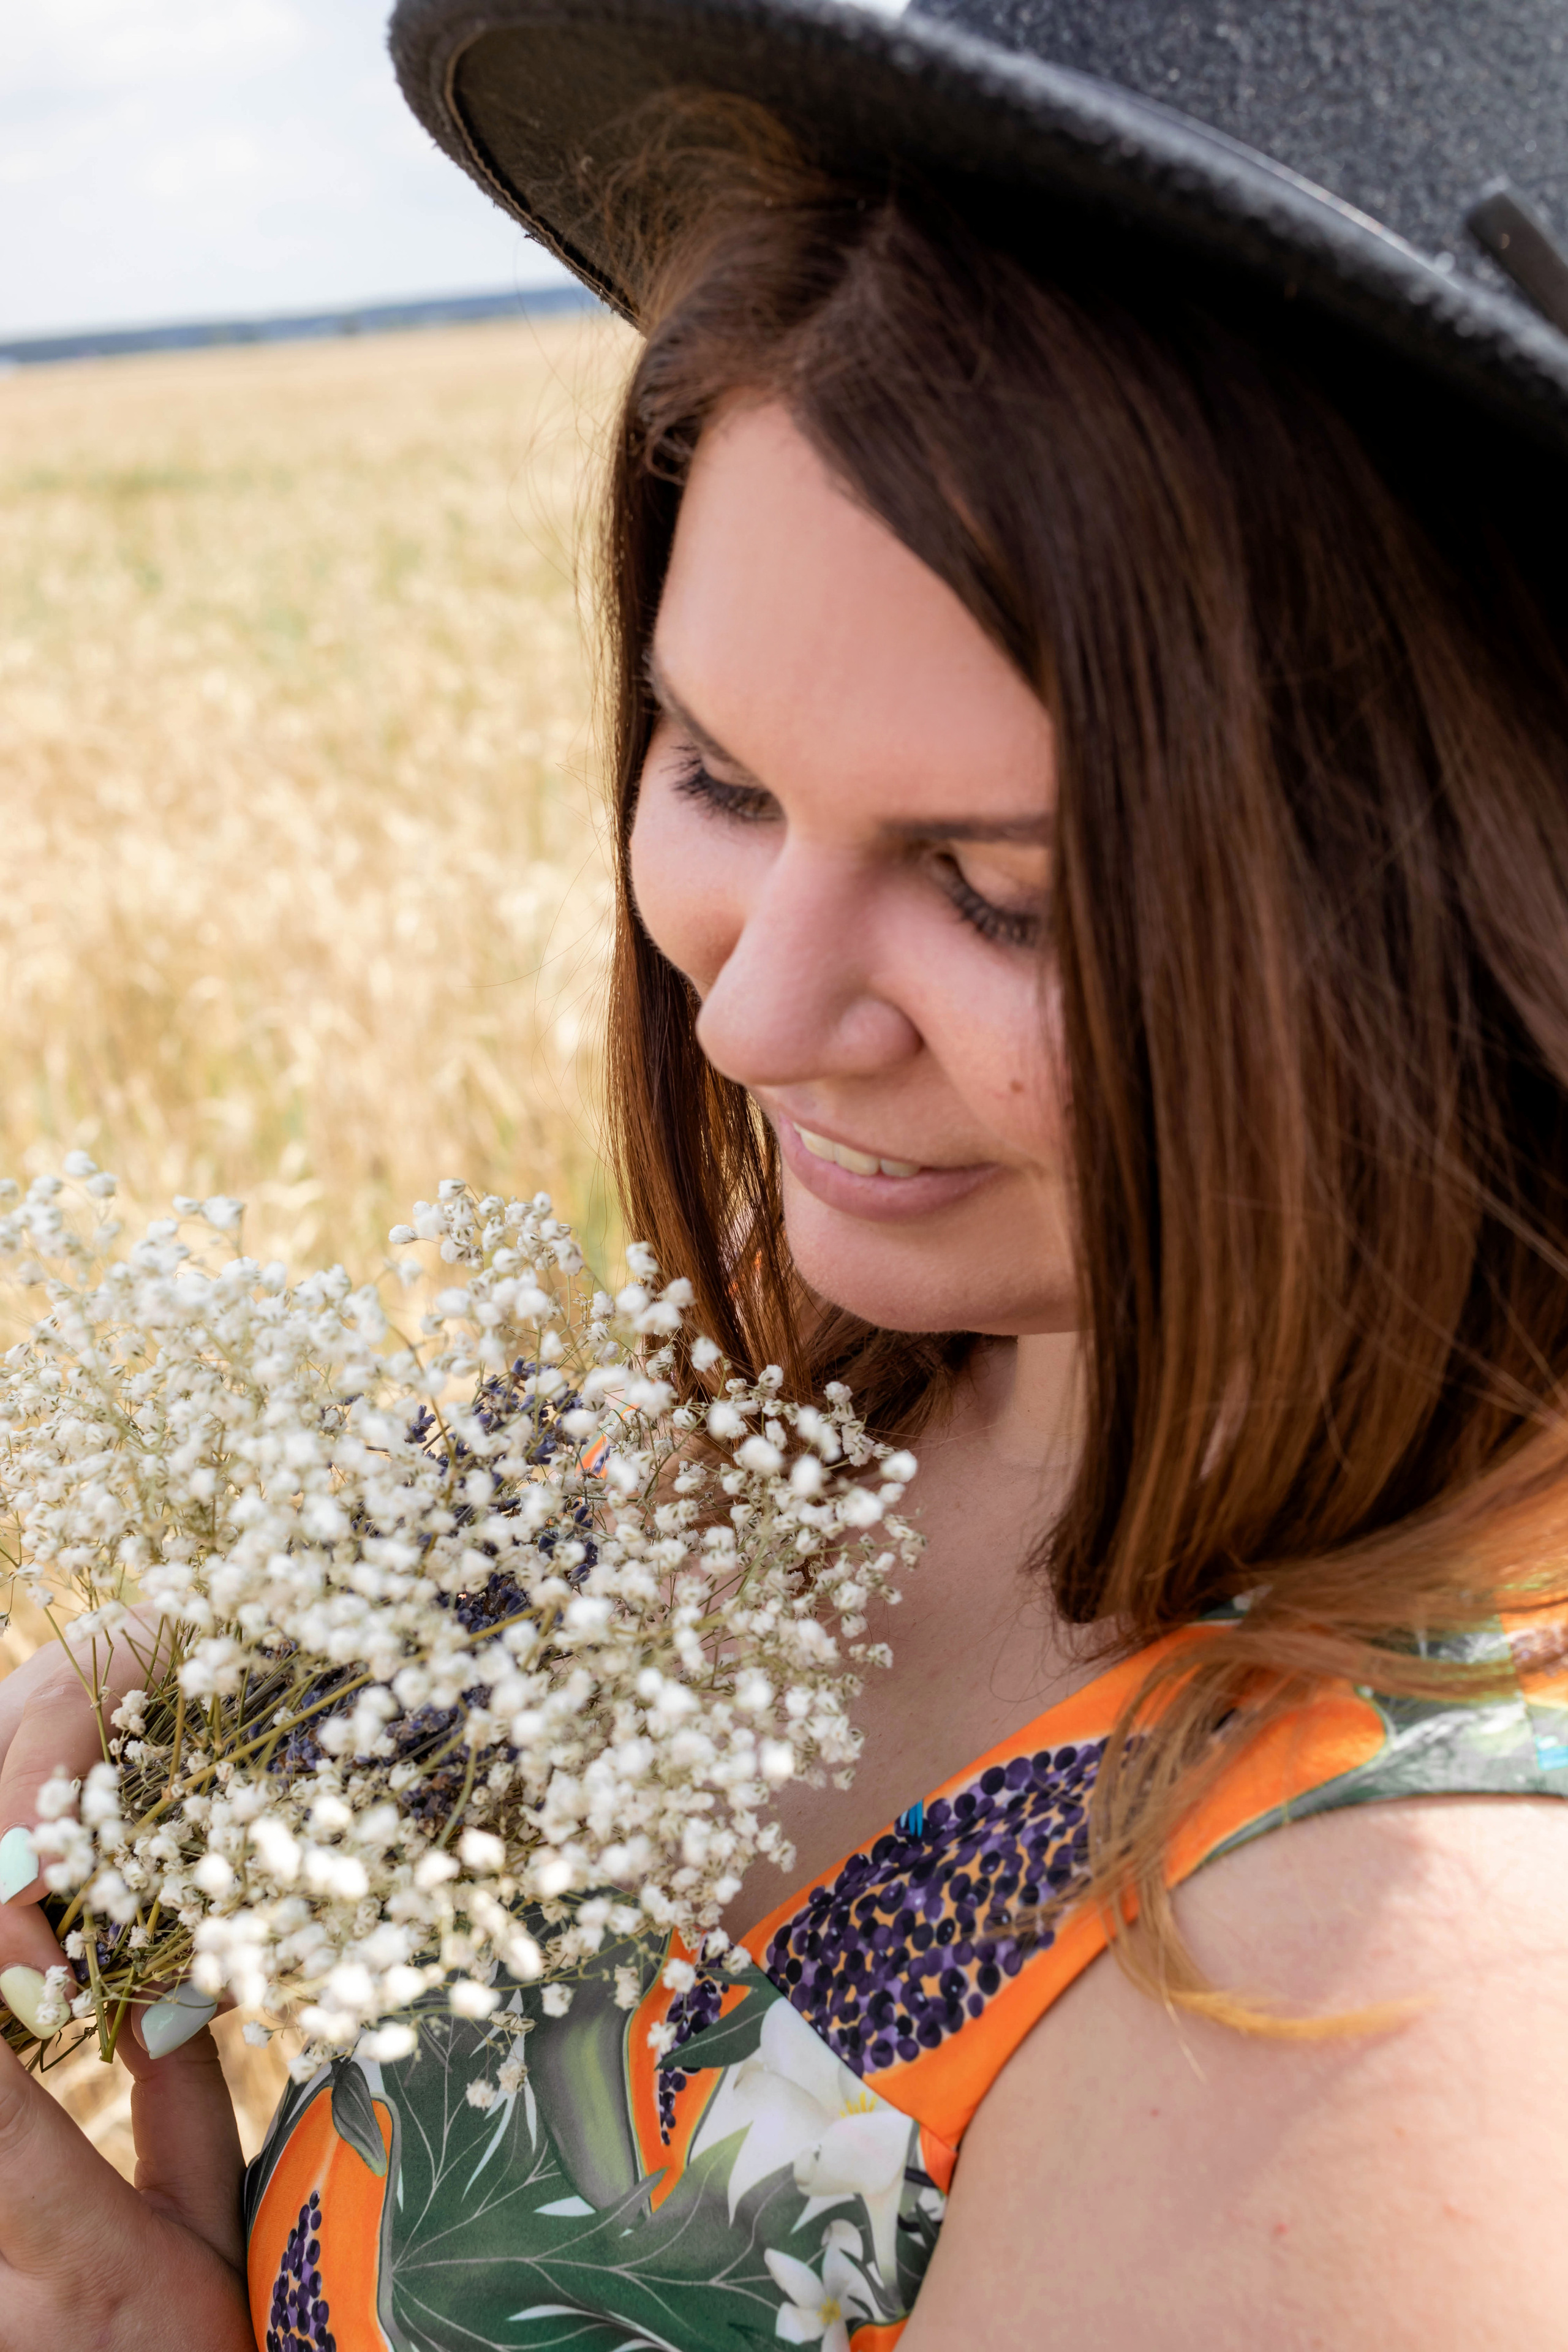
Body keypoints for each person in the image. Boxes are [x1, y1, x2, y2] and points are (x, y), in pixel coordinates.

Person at [8, 0, 1568, 2342]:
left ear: (1477, 900)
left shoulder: (1372, 2008)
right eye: (719, 781)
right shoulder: (805, 1391)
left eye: (1000, 894)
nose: (748, 1023)